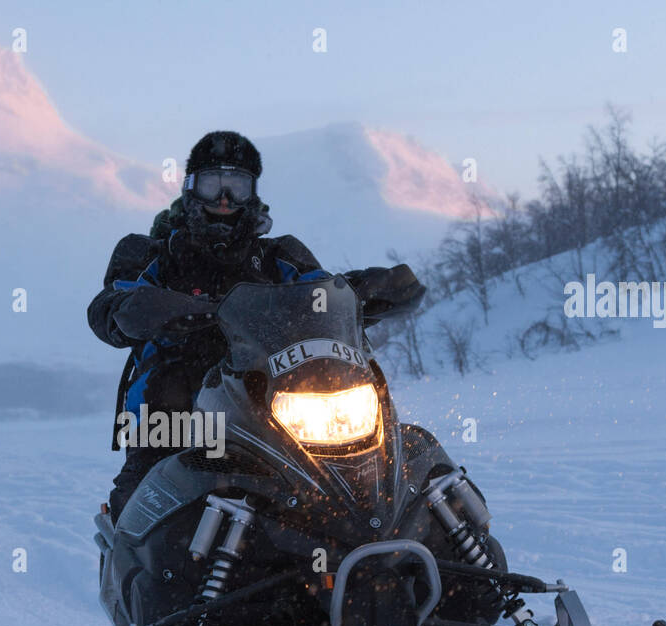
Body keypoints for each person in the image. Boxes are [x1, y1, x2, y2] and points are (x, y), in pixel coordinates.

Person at [87, 131, 423, 517]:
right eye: (214, 184)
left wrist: (365, 290)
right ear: (190, 187)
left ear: (254, 191)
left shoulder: (280, 254)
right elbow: (109, 306)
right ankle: (131, 563)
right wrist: (141, 308)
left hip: (267, 400)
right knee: (141, 499)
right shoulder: (152, 254)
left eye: (237, 186)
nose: (225, 199)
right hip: (174, 411)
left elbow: (319, 290)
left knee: (374, 464)